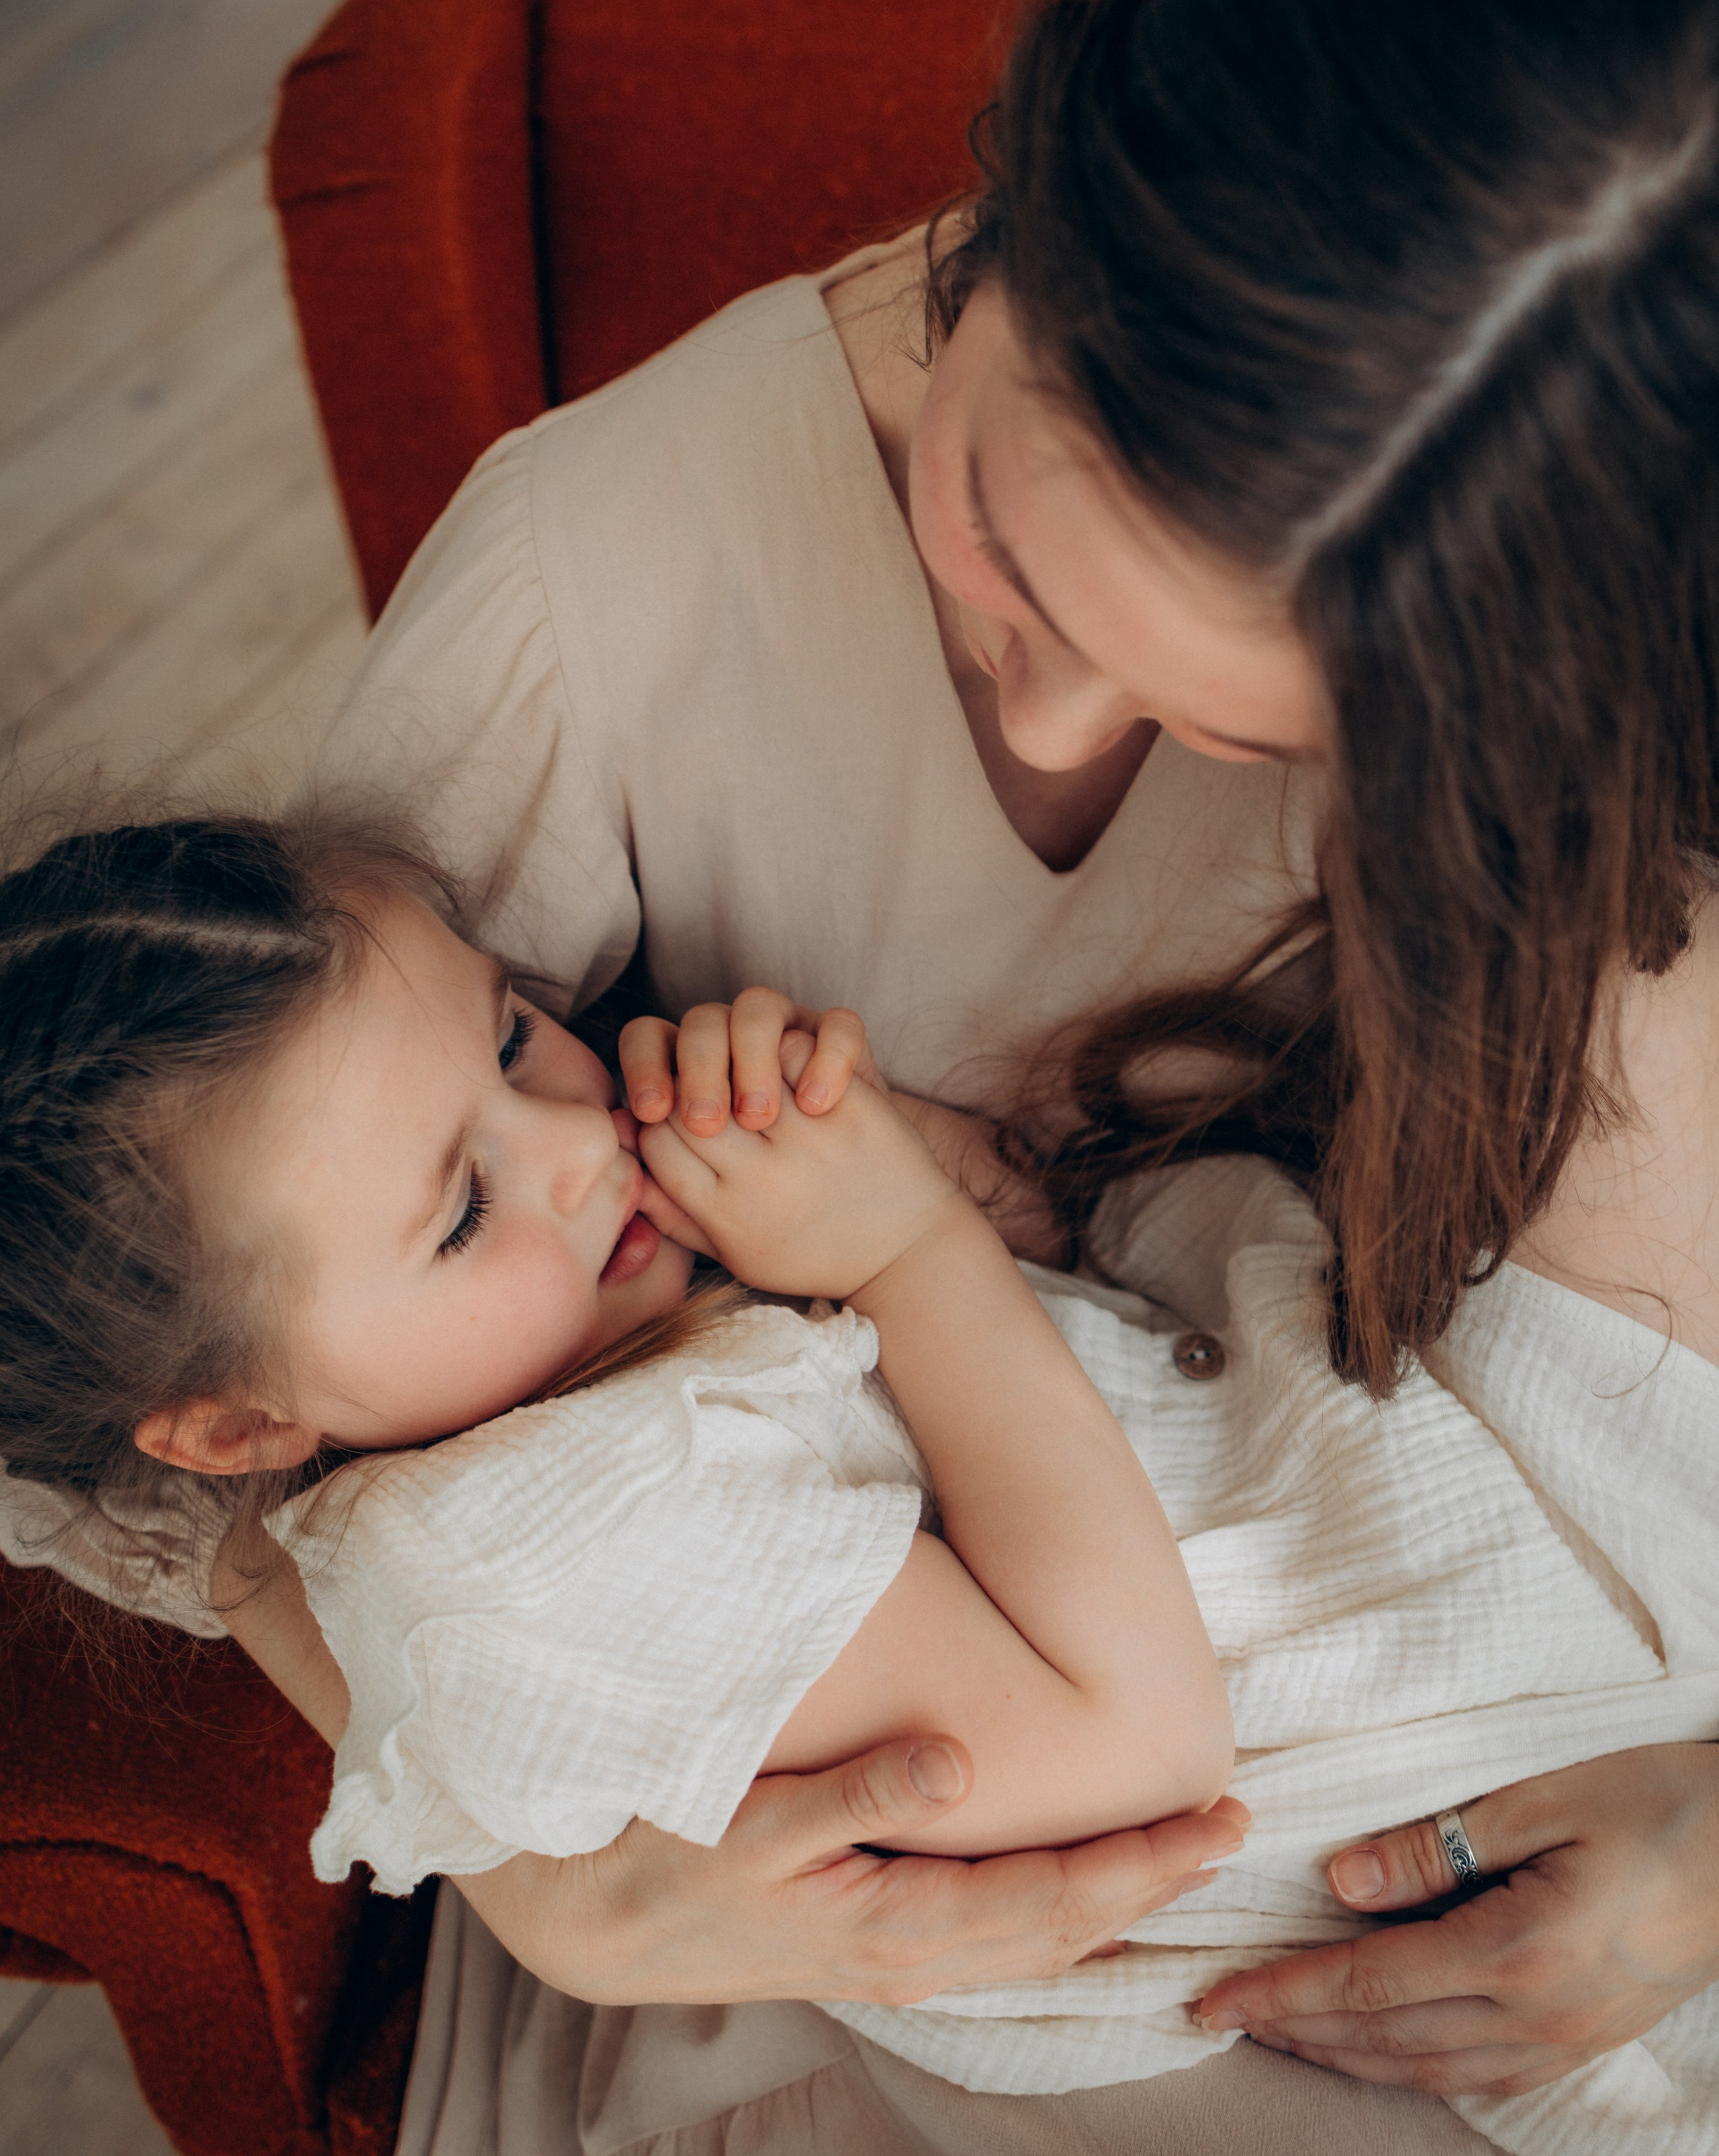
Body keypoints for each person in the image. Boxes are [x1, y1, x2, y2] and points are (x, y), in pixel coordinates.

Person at [14, 0, 1719, 2152]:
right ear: (1039, 199)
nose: (1049, 721)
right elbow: (156, 1345)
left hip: (1426, 1681)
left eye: (1255, 722)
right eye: (1017, 545)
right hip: (851, 1851)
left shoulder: (1619, 685)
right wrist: (570, 1888)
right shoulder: (589, 575)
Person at [1, 808, 1710, 2156]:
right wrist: (902, 1249)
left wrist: (901, 1161)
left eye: (513, 1034)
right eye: (459, 1210)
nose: (578, 1139)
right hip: (1348, 1795)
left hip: (1332, 1527)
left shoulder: (568, 1328)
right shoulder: (544, 1541)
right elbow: (1133, 1746)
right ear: (234, 1425)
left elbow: (1043, 1289)